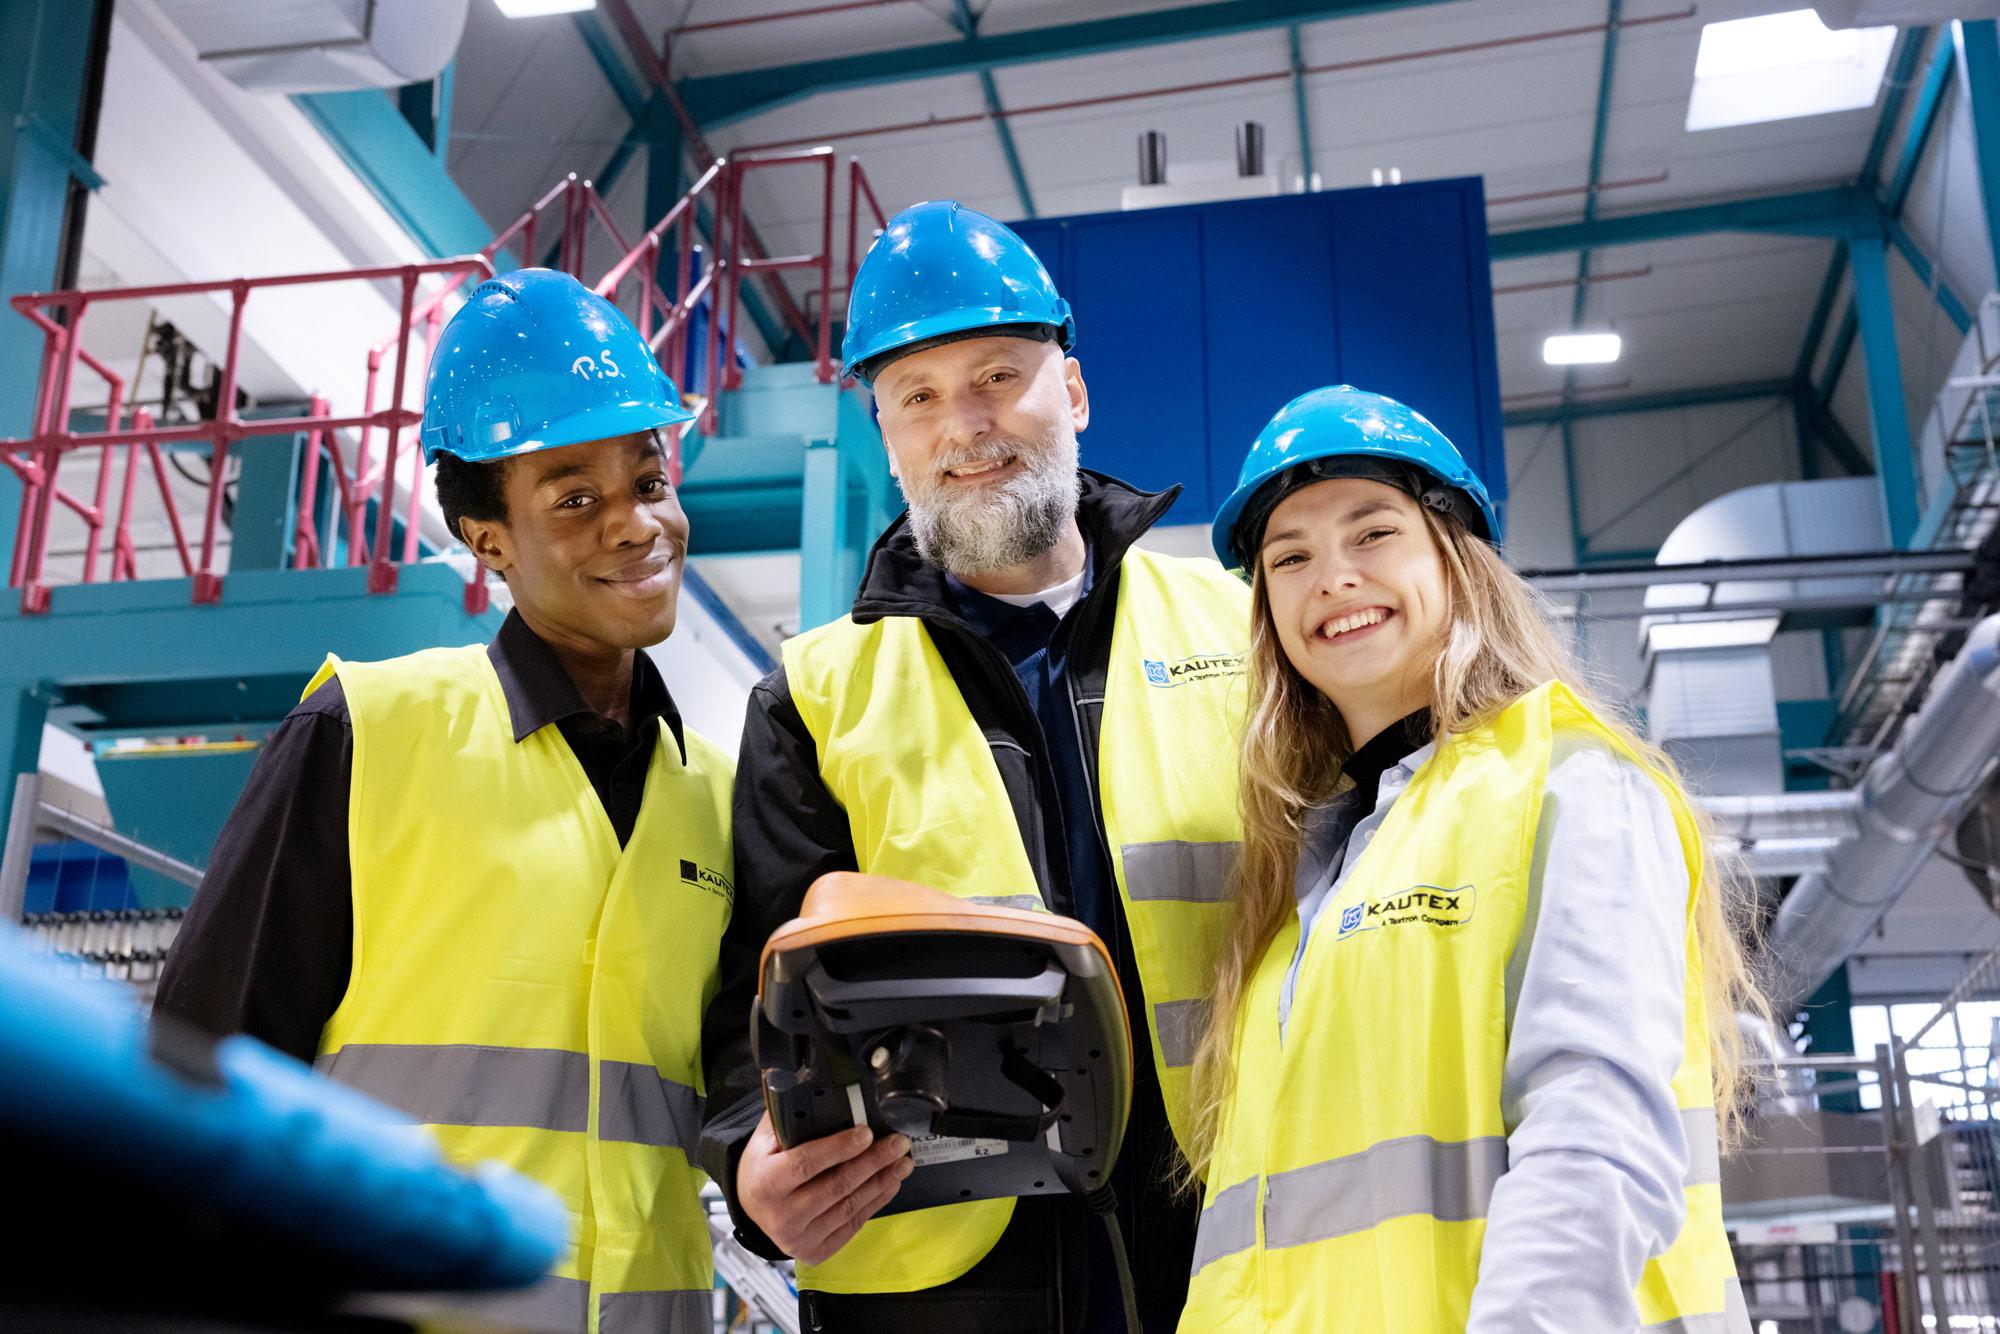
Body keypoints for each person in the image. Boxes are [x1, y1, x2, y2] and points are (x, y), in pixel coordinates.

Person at [701, 200, 1250, 1332]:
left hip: (1227, 1244)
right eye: (918, 396)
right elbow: (740, 997)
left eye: (999, 375)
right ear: (887, 437)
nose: (966, 424)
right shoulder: (811, 698)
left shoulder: (1246, 635)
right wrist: (748, 1170)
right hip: (943, 1279)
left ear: (1074, 391)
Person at [155, 268, 733, 1334]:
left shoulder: (716, 794)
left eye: (647, 480)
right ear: (487, 539)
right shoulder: (366, 730)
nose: (632, 524)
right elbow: (200, 1073)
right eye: (573, 497)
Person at [1178, 385, 1763, 1333]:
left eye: (1373, 535)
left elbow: (1595, 1137)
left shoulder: (1571, 785)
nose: (1332, 577)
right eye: (1291, 558)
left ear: (1456, 560)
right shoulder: (1307, 888)